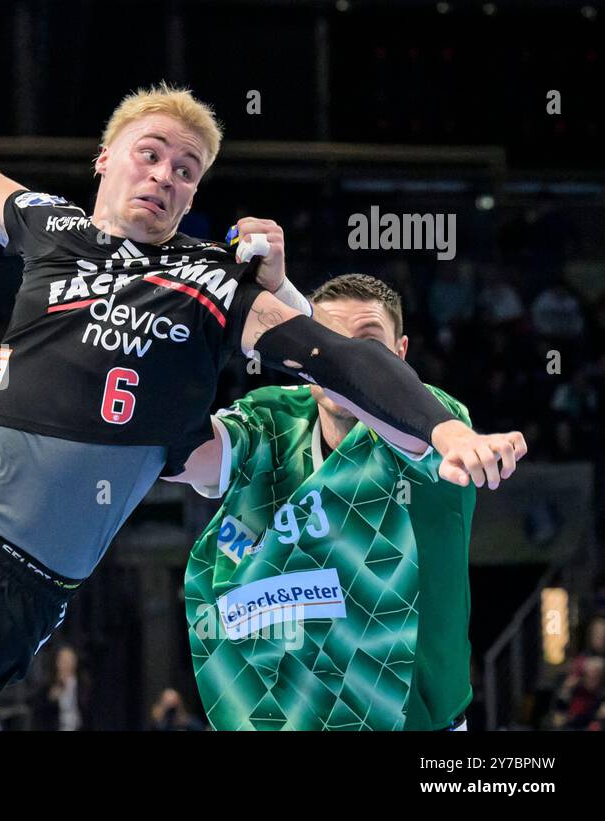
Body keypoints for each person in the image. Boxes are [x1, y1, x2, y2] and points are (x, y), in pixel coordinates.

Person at [0, 40, 528, 726]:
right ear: (106, 158)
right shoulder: (52, 226)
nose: (166, 176)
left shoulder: (209, 281)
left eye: (187, 170)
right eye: (153, 154)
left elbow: (336, 357)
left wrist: (444, 430)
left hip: (13, 579)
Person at [167, 275, 522, 730]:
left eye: (368, 347)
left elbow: (425, 432)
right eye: (329, 342)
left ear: (399, 355)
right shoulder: (268, 418)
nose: (345, 362)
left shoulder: (439, 424)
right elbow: (179, 454)